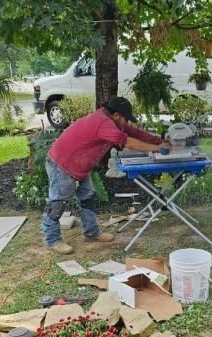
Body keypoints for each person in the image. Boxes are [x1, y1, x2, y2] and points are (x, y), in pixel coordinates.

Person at [41, 96, 169, 253]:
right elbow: (126, 141)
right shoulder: (103, 123)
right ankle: (52, 240)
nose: (127, 123)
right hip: (62, 164)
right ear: (116, 115)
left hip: (79, 164)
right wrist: (157, 149)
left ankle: (91, 233)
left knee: (88, 196)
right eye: (126, 119)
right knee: (57, 204)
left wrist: (158, 141)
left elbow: (133, 132)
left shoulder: (111, 121)